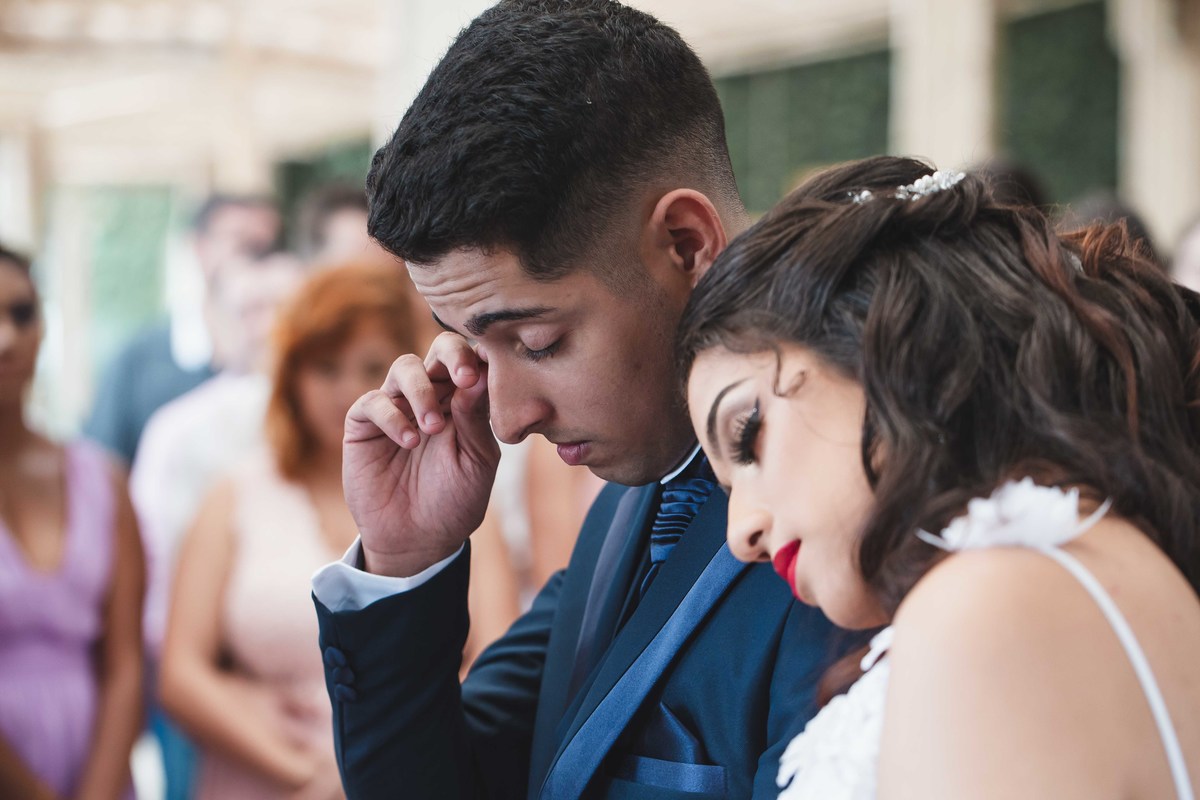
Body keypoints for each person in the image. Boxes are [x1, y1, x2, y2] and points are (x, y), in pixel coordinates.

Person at [310, 2, 841, 798]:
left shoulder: (855, 517)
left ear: (686, 246)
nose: (506, 418)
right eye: (467, 342)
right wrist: (406, 557)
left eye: (535, 342)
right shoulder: (630, 511)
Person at [678, 155, 1200, 798]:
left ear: (882, 339)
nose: (741, 534)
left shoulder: (987, 605)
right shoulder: (1073, 564)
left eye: (748, 434)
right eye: (729, 487)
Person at [0, 244, 145, 799]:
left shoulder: (100, 478)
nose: (8, 337)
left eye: (22, 312)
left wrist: (98, 791)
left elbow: (125, 663)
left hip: (95, 763)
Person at [84, 194, 280, 465]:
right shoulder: (140, 360)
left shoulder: (295, 361)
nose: (256, 255)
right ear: (198, 247)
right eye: (241, 241)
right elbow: (99, 462)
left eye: (267, 244)